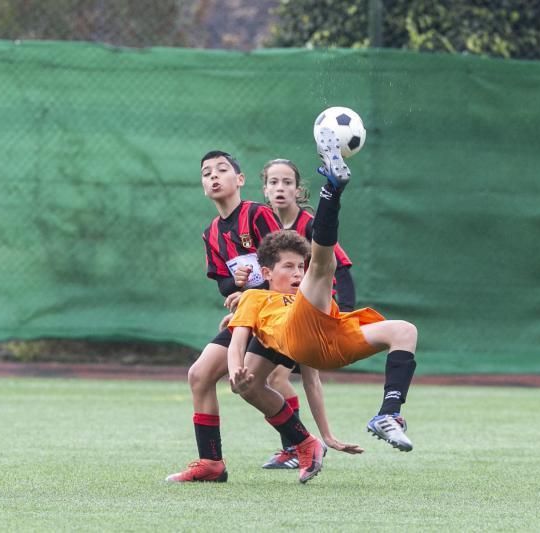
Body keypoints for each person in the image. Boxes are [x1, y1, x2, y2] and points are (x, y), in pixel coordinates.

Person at [226, 128, 419, 483]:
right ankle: (333, 187)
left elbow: (312, 380)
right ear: (266, 272)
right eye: (289, 267)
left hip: (328, 342)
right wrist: (236, 371)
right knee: (323, 262)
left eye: (300, 266)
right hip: (299, 334)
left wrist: (329, 435)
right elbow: (238, 340)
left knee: (404, 330)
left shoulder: (304, 290)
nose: (297, 272)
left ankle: (389, 413)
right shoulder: (257, 297)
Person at [165, 151, 361, 484]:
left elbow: (292, 260)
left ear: (239, 180)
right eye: (206, 173)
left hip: (281, 315)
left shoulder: (258, 214)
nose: (213, 176)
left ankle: (301, 444)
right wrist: (239, 284)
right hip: (252, 314)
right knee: (200, 375)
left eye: (222, 170)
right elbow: (224, 284)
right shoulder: (211, 232)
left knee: (257, 382)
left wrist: (256, 289)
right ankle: (213, 462)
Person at [258, 158, 358, 469]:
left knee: (276, 378)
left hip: (312, 313)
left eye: (287, 182)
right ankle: (308, 443)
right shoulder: (264, 227)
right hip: (281, 316)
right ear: (264, 189)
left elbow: (341, 269)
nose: (280, 188)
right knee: (271, 379)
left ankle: (297, 446)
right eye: (273, 182)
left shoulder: (312, 225)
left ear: (298, 189)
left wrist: (347, 313)